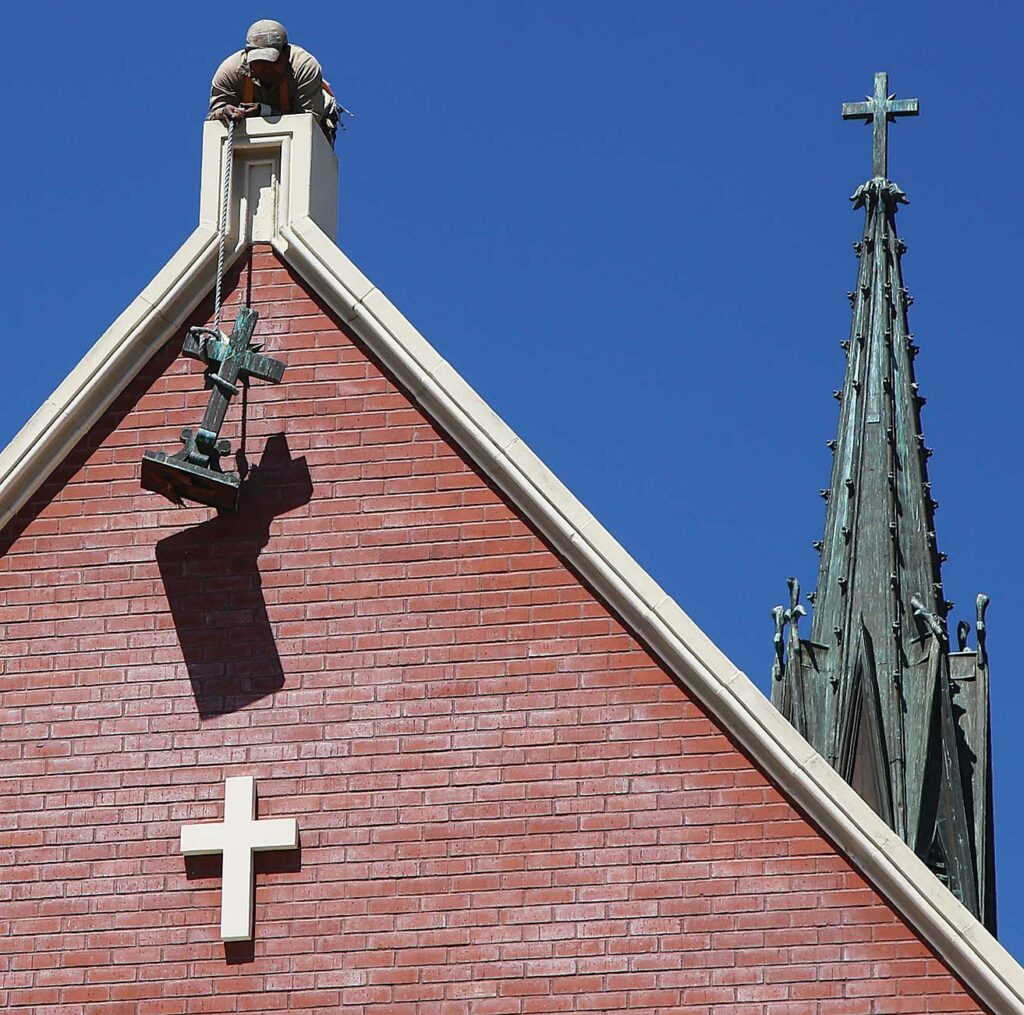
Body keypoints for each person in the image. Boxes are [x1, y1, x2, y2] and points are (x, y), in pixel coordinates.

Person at [208, 20, 341, 146]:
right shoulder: (231, 71)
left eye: (272, 62)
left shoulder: (304, 66)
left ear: (286, 53)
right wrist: (224, 112)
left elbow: (306, 123)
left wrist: (263, 111)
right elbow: (212, 119)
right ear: (247, 54)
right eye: (258, 62)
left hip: (309, 120)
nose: (266, 69)